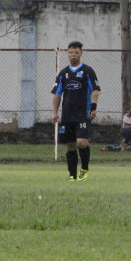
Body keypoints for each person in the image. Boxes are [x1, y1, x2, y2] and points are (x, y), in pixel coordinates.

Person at [52, 41, 100, 181]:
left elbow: (95, 91)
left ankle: (84, 169)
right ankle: (72, 175)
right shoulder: (63, 73)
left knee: (82, 142)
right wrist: (55, 113)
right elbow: (57, 94)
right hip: (67, 115)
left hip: (82, 114)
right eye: (71, 52)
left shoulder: (87, 71)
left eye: (76, 53)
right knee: (71, 145)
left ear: (81, 54)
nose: (73, 55)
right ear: (68, 54)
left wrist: (93, 107)